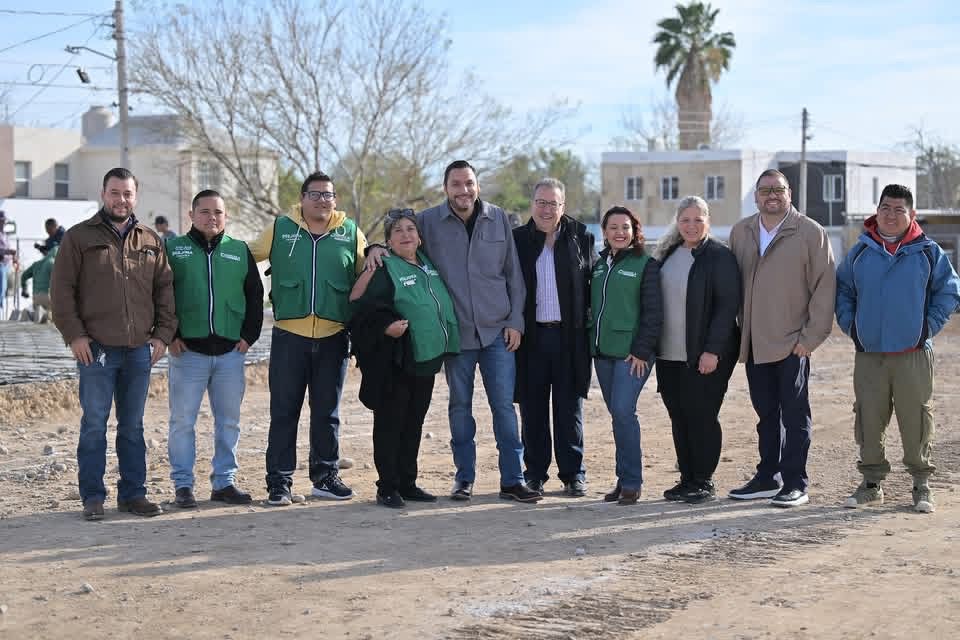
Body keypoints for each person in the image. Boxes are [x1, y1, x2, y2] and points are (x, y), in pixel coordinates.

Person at [366, 161, 539, 503]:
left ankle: (513, 479)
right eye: (456, 184)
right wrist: (374, 248)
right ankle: (464, 479)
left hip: (497, 333)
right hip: (455, 336)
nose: (464, 190)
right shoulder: (428, 221)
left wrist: (516, 321)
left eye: (469, 183)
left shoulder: (499, 218)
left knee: (504, 407)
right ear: (445, 187)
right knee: (460, 407)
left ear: (477, 185)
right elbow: (402, 240)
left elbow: (513, 276)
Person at [51, 167, 176, 521]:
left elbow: (165, 291)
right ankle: (93, 497)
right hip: (97, 350)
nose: (121, 200)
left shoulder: (151, 240)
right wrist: (75, 335)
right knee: (94, 423)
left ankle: (133, 495)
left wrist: (162, 335)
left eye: (127, 194)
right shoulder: (78, 238)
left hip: (139, 350)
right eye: (115, 193)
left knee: (133, 426)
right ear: (103, 194)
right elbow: (62, 293)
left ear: (136, 197)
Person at [836, 184, 960, 513]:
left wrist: (926, 328)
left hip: (913, 354)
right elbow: (843, 291)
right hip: (870, 354)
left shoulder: (928, 252)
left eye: (899, 210)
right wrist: (852, 327)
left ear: (912, 215)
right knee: (869, 418)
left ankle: (921, 485)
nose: (891, 215)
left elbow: (949, 292)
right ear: (876, 211)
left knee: (916, 418)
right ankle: (871, 484)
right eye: (885, 208)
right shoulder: (860, 252)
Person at [248, 171, 367, 506]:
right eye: (314, 194)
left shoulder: (350, 232)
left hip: (333, 338)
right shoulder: (282, 228)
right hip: (289, 338)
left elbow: (365, 272)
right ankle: (279, 482)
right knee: (284, 411)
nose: (322, 200)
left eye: (328, 195)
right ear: (301, 199)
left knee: (327, 412)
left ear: (335, 200)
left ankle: (325, 477)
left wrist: (377, 250)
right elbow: (247, 254)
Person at [727, 169, 836, 507]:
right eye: (764, 190)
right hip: (755, 343)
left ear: (790, 193)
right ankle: (766, 477)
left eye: (778, 189)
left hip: (792, 343)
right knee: (766, 416)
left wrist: (810, 338)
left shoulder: (809, 233)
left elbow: (825, 287)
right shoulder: (741, 232)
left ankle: (795, 482)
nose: (771, 195)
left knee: (794, 415)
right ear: (756, 196)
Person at [349, 209, 460, 508]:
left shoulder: (428, 264)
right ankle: (387, 486)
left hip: (425, 360)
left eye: (410, 229)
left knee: (413, 423)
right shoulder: (385, 267)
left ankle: (407, 482)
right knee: (390, 423)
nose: (406, 234)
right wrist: (386, 327)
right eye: (397, 231)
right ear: (388, 241)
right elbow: (359, 306)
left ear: (420, 237)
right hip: (396, 361)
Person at [165, 190, 264, 508]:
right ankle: (183, 485)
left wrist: (249, 336)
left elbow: (254, 295)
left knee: (229, 421)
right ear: (191, 215)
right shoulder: (174, 249)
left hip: (230, 355)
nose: (212, 218)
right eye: (205, 212)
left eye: (218, 212)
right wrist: (169, 335)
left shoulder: (239, 251)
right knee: (182, 421)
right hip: (187, 352)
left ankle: (224, 483)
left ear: (226, 216)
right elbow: (160, 295)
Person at [653, 196, 740, 504]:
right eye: (685, 220)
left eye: (697, 220)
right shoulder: (668, 254)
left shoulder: (719, 256)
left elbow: (727, 307)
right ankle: (687, 478)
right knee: (679, 416)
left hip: (703, 355)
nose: (691, 226)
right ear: (678, 222)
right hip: (668, 355)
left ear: (708, 222)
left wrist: (712, 350)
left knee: (701, 415)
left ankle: (704, 480)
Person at [513, 178, 595, 497]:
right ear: (532, 204)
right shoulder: (517, 239)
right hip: (531, 338)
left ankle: (573, 473)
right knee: (532, 410)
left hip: (569, 338)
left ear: (563, 207)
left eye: (553, 204)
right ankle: (534, 474)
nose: (547, 209)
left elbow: (593, 283)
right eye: (541, 203)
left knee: (568, 409)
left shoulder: (580, 237)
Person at [591, 206, 662, 506]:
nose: (619, 233)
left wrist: (642, 350)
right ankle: (622, 481)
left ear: (635, 231)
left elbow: (654, 312)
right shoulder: (598, 264)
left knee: (623, 412)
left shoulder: (646, 264)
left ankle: (632, 483)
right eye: (613, 227)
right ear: (604, 232)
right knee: (617, 416)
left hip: (632, 355)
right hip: (602, 352)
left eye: (625, 227)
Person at [20, 245, 59, 323]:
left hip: (36, 297)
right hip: (48, 297)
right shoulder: (54, 263)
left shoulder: (36, 264)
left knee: (41, 316)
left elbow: (23, 276)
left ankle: (30, 314)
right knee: (55, 317)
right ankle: (45, 314)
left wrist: (24, 289)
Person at [0, 210, 17, 318]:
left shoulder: (5, 235)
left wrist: (13, 257)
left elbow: (8, 250)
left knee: (4, 288)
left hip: (6, 266)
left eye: (4, 221)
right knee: (1, 288)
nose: (3, 223)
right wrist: (8, 252)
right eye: (2, 221)